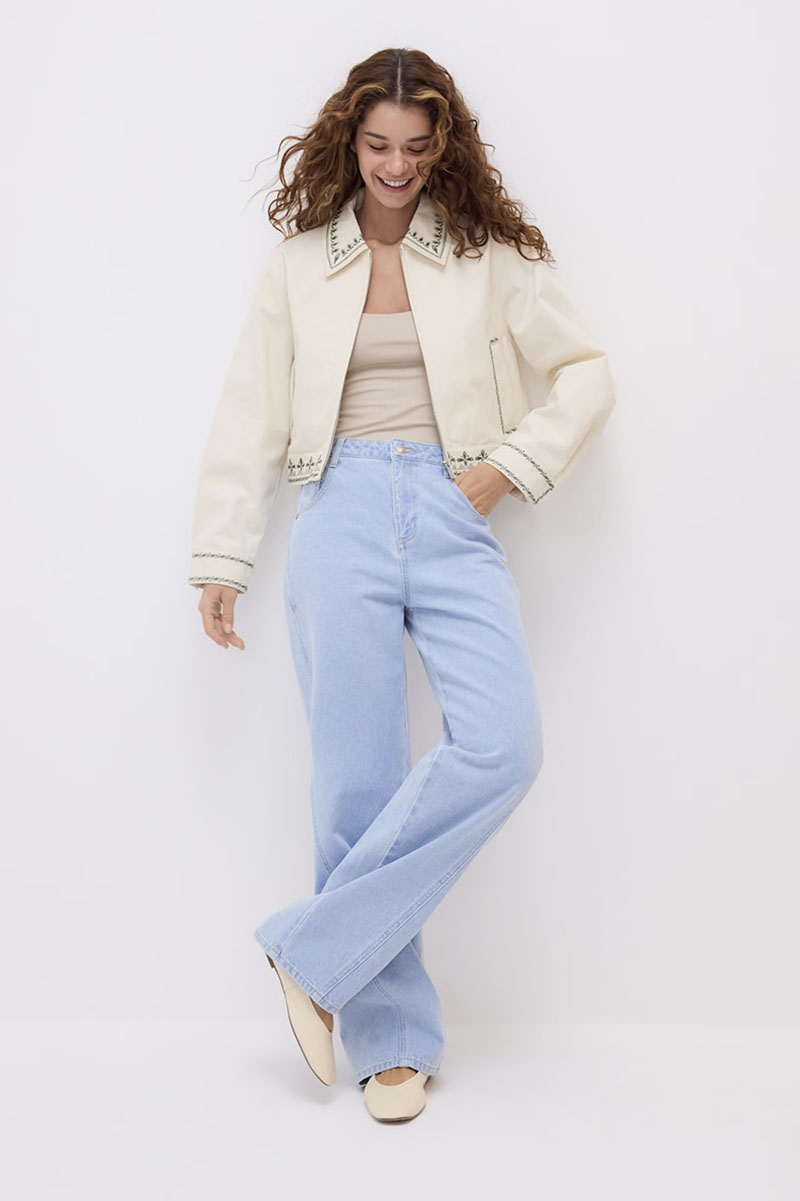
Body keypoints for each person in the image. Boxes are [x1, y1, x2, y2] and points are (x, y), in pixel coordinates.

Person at [187, 47, 616, 1123]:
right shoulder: (299, 267)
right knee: (356, 782)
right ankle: (389, 1042)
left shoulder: (482, 255)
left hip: (452, 503)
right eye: (378, 145)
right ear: (350, 142)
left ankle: (310, 951)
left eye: (415, 148)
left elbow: (586, 373)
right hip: (336, 510)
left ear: (441, 147)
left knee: (503, 744)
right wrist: (223, 556)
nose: (395, 166)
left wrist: (504, 469)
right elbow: (250, 415)